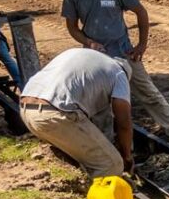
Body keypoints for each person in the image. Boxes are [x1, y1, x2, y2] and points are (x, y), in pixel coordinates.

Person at [62, 0, 169, 151]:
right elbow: (72, 27)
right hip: (96, 58)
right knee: (101, 102)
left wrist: (142, 44)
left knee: (148, 92)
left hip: (124, 52)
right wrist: (88, 42)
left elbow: (141, 12)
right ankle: (107, 143)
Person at [20, 48, 134, 178]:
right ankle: (98, 197)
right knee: (111, 164)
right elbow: (124, 124)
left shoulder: (86, 58)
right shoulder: (120, 74)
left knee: (81, 160)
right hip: (56, 114)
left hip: (27, 109)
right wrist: (127, 156)